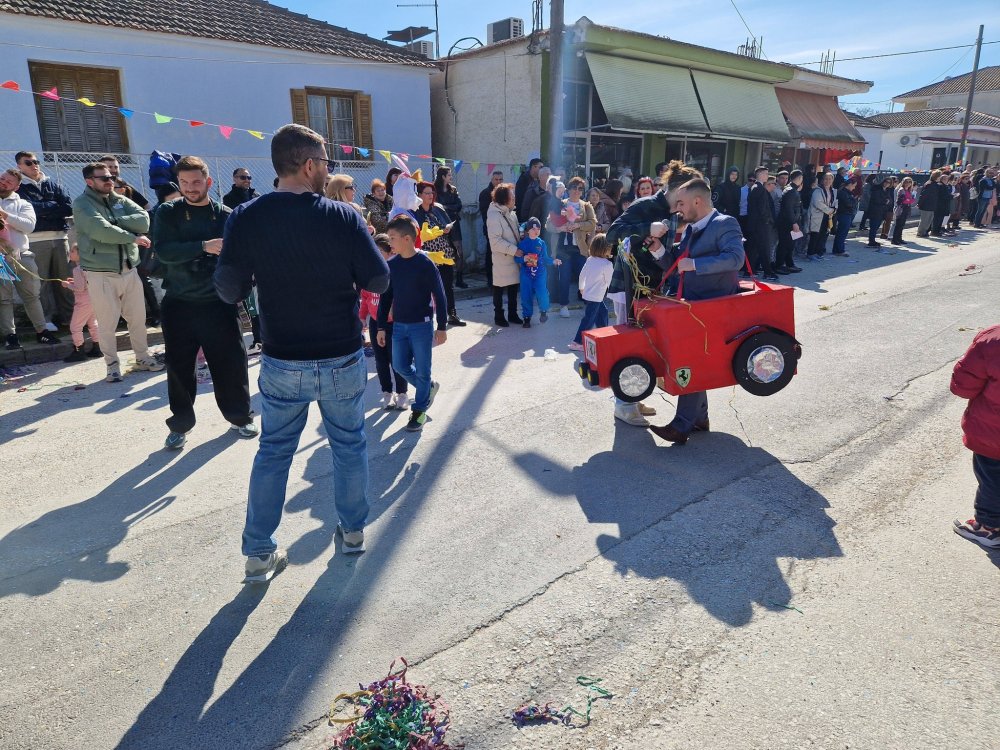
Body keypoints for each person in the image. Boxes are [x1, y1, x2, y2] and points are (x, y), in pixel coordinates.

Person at [215, 123, 390, 581]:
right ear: (309, 165)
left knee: (273, 452)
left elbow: (228, 287)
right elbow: (377, 279)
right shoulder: (344, 216)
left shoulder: (247, 216)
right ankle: (352, 534)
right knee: (349, 446)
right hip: (340, 354)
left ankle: (258, 554)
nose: (328, 169)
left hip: (281, 357)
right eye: (326, 162)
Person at [153, 156, 255, 450]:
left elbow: (241, 257)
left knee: (231, 364)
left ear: (208, 182)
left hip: (218, 302)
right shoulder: (167, 212)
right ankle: (180, 424)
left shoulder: (225, 215)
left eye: (196, 181)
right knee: (179, 367)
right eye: (184, 182)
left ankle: (240, 417)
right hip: (179, 302)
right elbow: (164, 252)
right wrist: (203, 247)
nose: (190, 188)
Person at [646, 179, 745, 445]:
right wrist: (659, 251)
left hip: (716, 307)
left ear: (697, 201)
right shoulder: (692, 229)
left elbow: (735, 258)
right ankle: (698, 418)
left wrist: (696, 264)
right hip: (693, 307)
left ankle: (682, 425)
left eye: (681, 203)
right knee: (694, 360)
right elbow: (679, 264)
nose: (677, 209)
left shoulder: (725, 223)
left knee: (693, 360)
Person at [72, 161, 163, 382]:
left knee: (138, 319)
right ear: (89, 181)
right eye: (104, 178)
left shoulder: (120, 200)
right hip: (101, 273)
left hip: (129, 270)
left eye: (111, 177)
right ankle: (112, 365)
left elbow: (144, 220)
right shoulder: (82, 204)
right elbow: (100, 230)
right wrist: (131, 236)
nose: (110, 181)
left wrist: (114, 220)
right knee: (107, 323)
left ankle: (142, 358)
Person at [376, 215, 446, 433]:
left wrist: (442, 326)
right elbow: (386, 298)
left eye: (393, 238)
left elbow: (440, 295)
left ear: (407, 239)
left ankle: (419, 410)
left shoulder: (425, 263)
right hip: (399, 327)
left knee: (423, 370)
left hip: (422, 326)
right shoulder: (392, 265)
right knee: (399, 365)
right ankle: (428, 389)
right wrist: (380, 326)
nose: (390, 243)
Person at [951, 324, 1000, 550]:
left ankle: (988, 529)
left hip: (994, 435)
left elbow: (963, 386)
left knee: (993, 480)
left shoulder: (992, 340)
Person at [0, 168, 60, 350]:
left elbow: (29, 227)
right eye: (2, 178)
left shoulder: (23, 204)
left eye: (8, 181)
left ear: (16, 187)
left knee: (32, 296)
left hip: (22, 256)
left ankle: (42, 332)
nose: (3, 182)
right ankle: (10, 336)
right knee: (4, 299)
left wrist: (6, 215)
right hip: (0, 260)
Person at [15, 150, 74, 329]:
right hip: (35, 240)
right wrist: (52, 206)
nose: (34, 165)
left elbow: (68, 208)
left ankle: (70, 317)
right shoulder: (19, 188)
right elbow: (29, 210)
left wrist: (42, 209)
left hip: (60, 237)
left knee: (66, 279)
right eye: (28, 162)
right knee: (41, 282)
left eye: (36, 161)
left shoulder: (53, 184)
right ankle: (46, 319)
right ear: (19, 166)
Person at [362, 233, 408, 410]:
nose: (375, 254)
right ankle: (387, 393)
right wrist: (361, 317)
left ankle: (402, 393)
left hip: (395, 324)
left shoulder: (396, 271)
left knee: (397, 360)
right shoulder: (370, 273)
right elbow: (365, 297)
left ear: (390, 252)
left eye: (379, 251)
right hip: (375, 323)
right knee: (381, 361)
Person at [410, 180, 465, 327]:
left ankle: (452, 314)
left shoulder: (438, 208)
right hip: (426, 256)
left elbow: (448, 225)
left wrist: (447, 229)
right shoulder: (414, 212)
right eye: (426, 193)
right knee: (425, 288)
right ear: (419, 195)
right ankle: (425, 318)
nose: (430, 195)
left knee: (447, 286)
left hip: (444, 253)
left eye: (432, 192)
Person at [550, 176, 596, 317]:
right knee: (564, 277)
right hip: (563, 249)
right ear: (568, 189)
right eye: (574, 188)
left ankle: (589, 303)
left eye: (580, 188)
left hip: (580, 248)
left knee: (585, 277)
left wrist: (578, 225)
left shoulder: (586, 206)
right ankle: (564, 306)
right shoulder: (560, 204)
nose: (577, 191)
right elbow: (548, 224)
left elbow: (592, 223)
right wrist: (561, 228)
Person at [486, 182, 524, 327]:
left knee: (514, 286)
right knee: (499, 287)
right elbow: (495, 241)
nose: (514, 199)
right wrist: (514, 250)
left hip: (513, 256)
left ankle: (513, 314)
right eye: (512, 197)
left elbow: (514, 232)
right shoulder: (494, 215)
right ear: (504, 199)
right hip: (503, 257)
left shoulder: (511, 213)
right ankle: (499, 315)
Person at [568, 233, 612, 350]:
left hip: (588, 294)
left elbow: (582, 275)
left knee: (603, 313)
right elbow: (610, 282)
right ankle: (577, 342)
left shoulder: (590, 259)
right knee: (589, 320)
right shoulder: (607, 264)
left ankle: (604, 336)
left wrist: (581, 288)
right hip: (596, 296)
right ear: (605, 249)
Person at [515, 217, 560, 327]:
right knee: (526, 295)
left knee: (542, 293)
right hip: (526, 274)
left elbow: (545, 258)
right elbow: (516, 259)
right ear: (528, 230)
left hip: (540, 273)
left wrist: (553, 261)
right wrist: (523, 259)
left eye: (538, 229)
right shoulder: (522, 244)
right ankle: (527, 318)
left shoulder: (541, 243)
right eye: (533, 228)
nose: (536, 231)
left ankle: (543, 311)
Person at [60, 244, 101, 361]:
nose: (70, 253)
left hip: (83, 302)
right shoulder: (89, 266)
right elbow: (85, 283)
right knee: (93, 324)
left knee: (75, 327)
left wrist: (67, 285)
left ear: (80, 254)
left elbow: (79, 288)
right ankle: (97, 348)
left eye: (72, 251)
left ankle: (79, 351)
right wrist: (74, 282)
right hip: (93, 299)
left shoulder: (77, 269)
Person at [434, 166, 467, 289]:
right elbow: (436, 207)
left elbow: (458, 205)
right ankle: (445, 279)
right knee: (443, 251)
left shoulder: (453, 190)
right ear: (443, 176)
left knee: (459, 252)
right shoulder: (434, 190)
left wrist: (446, 207)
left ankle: (459, 279)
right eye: (449, 175)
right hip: (440, 225)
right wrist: (448, 207)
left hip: (454, 223)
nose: (451, 177)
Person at [746, 166, 778, 279]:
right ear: (759, 174)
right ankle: (768, 272)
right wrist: (767, 220)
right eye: (765, 173)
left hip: (755, 223)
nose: (767, 175)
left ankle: (750, 270)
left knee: (753, 248)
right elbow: (762, 208)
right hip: (760, 223)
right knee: (763, 248)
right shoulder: (758, 188)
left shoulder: (756, 187)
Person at [774, 169, 804, 274]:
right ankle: (779, 265)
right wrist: (794, 223)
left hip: (791, 222)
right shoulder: (791, 191)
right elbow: (788, 209)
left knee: (790, 245)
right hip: (787, 224)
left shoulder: (792, 189)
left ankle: (789, 264)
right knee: (784, 244)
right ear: (800, 178)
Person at [479, 169, 504, 286]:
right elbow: (485, 214)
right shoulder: (485, 193)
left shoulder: (505, 192)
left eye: (500, 179)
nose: (498, 182)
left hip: (504, 229)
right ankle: (490, 280)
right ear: (492, 180)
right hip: (491, 229)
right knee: (491, 255)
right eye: (496, 179)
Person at [806, 172, 836, 260]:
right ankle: (810, 253)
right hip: (818, 216)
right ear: (822, 180)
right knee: (815, 235)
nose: (828, 181)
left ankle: (818, 252)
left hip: (828, 217)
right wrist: (830, 210)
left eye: (830, 179)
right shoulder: (817, 190)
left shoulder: (833, 191)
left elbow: (835, 202)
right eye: (826, 179)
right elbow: (818, 203)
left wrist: (834, 209)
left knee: (823, 234)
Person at [831, 179, 857, 256]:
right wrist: (853, 200)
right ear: (849, 184)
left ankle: (837, 249)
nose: (854, 188)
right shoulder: (843, 192)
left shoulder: (846, 192)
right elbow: (849, 204)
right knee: (842, 233)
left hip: (846, 213)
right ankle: (840, 250)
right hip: (844, 214)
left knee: (841, 233)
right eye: (854, 186)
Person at [890, 176, 915, 246]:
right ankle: (894, 239)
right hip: (901, 209)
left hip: (906, 208)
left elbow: (911, 200)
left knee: (902, 225)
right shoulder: (901, 190)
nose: (908, 184)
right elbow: (901, 201)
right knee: (898, 224)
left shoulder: (908, 190)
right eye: (906, 182)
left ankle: (899, 238)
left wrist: (909, 200)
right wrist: (908, 200)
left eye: (909, 182)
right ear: (903, 183)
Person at [916, 172, 939, 237]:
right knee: (924, 220)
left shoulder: (935, 184)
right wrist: (919, 203)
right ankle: (920, 232)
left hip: (932, 205)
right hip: (926, 205)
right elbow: (923, 195)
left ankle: (925, 231)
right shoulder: (929, 184)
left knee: (929, 220)